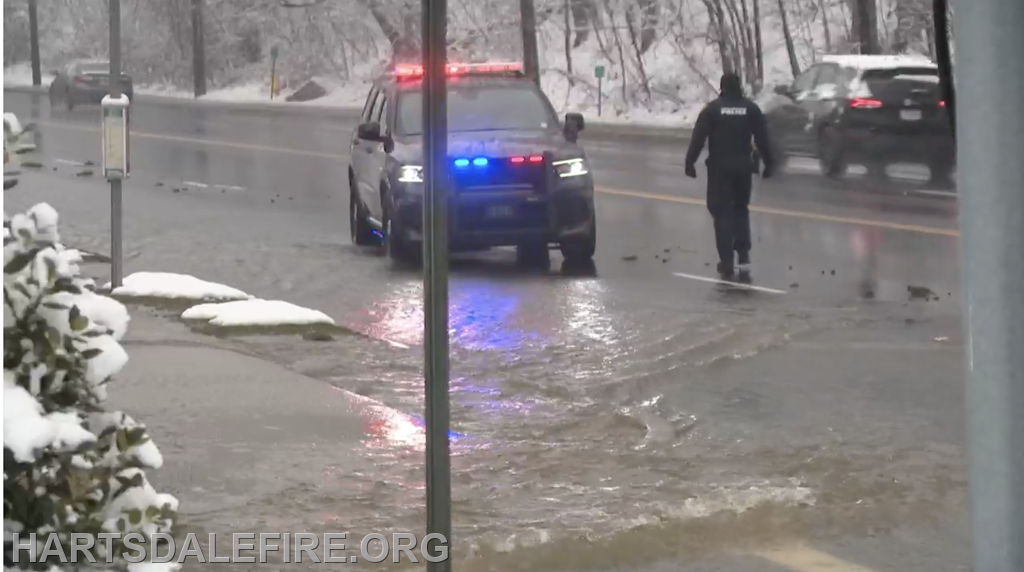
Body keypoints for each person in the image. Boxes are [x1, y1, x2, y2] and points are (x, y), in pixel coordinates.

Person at [684, 72, 773, 280]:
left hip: (720, 169)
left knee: (722, 212)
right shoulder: (751, 109)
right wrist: (769, 164)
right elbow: (763, 139)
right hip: (744, 168)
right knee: (741, 209)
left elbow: (698, 138)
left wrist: (690, 163)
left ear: (722, 87)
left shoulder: (712, 110)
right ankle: (743, 255)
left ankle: (726, 261)